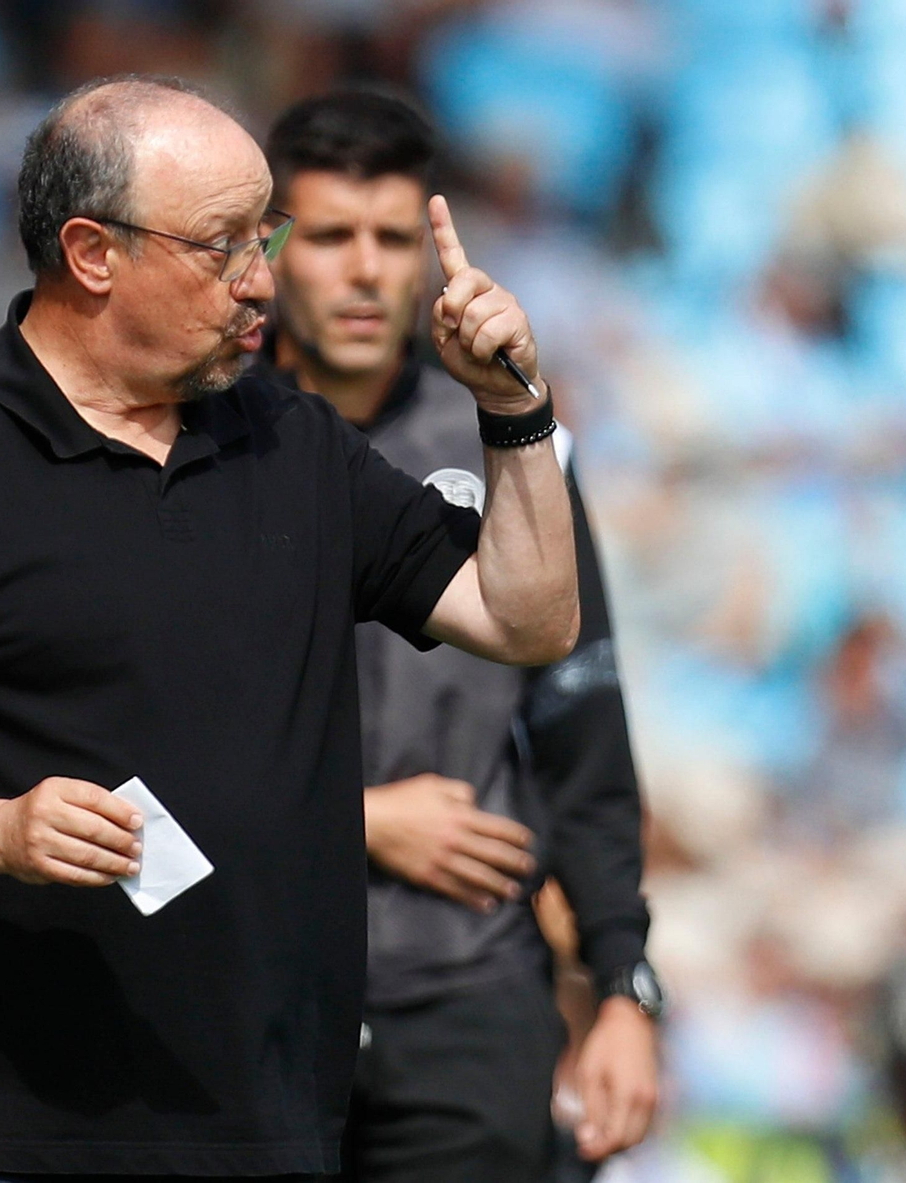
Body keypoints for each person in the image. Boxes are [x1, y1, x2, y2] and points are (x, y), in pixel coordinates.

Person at [0, 75, 578, 1182]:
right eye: (222, 245)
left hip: (265, 1122)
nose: (263, 282)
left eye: (264, 234)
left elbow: (523, 619)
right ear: (92, 253)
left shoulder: (292, 441)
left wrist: (512, 410)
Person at [257, 91, 661, 1183]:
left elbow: (583, 723)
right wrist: (351, 819)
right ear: (270, 250)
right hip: (250, 988)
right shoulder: (197, 445)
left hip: (470, 993)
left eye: (392, 239)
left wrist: (623, 984)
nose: (364, 270)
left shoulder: (514, 441)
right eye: (331, 236)